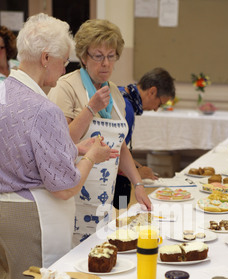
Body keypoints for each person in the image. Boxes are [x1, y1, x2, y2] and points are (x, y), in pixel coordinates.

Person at [0, 14, 113, 279]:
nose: (65, 68)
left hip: (4, 210)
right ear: (46, 57)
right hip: (30, 217)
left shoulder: (3, 90)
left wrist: (74, 148)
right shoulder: (43, 108)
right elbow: (65, 188)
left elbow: (17, 149)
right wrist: (91, 158)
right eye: (64, 60)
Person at [48, 19, 152, 244]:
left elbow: (120, 144)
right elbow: (60, 143)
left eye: (111, 55)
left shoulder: (114, 93)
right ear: (84, 57)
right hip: (72, 197)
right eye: (98, 56)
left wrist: (139, 185)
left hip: (104, 198)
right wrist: (90, 109)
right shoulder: (65, 87)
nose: (105, 63)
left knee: (100, 255)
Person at [114, 67, 176, 209]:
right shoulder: (127, 109)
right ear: (152, 91)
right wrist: (137, 174)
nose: (155, 109)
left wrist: (139, 167)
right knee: (119, 217)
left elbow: (121, 147)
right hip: (113, 182)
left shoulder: (120, 92)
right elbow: (113, 154)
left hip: (114, 178)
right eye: (159, 103)